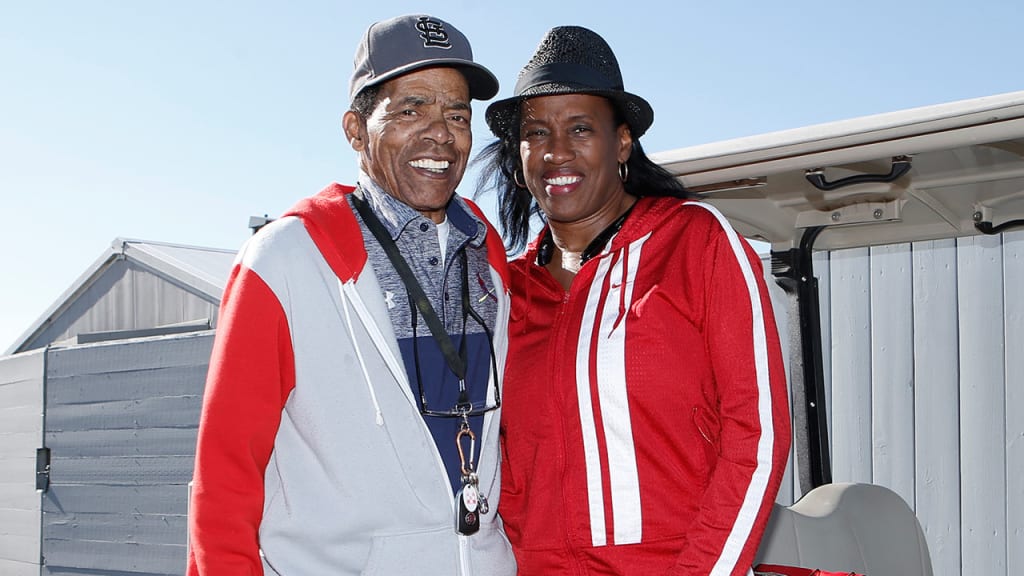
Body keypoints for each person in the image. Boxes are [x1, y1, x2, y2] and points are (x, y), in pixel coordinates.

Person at [187, 14, 516, 576]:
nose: (440, 132)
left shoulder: (488, 257)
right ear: (356, 130)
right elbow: (225, 473)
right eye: (411, 108)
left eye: (456, 115)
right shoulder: (284, 259)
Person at [479, 26, 791, 575]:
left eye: (580, 128)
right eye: (536, 132)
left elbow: (757, 434)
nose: (557, 151)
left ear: (622, 141)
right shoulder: (504, 288)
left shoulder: (696, 241)